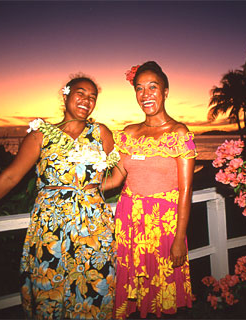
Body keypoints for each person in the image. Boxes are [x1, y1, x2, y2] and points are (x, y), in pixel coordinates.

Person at [0, 75, 119, 319]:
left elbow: (117, 174)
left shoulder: (101, 133)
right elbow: (10, 178)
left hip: (94, 228)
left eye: (92, 97)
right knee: (50, 293)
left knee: (94, 293)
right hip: (51, 228)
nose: (87, 100)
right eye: (81, 93)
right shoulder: (40, 136)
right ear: (65, 95)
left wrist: (90, 190)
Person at [104, 61, 196, 319]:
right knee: (132, 292)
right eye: (139, 88)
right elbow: (115, 179)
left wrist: (180, 238)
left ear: (165, 91)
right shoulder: (129, 134)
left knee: (161, 294)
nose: (146, 95)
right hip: (129, 223)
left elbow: (186, 190)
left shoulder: (179, 133)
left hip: (163, 225)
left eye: (152, 87)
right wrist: (79, 185)